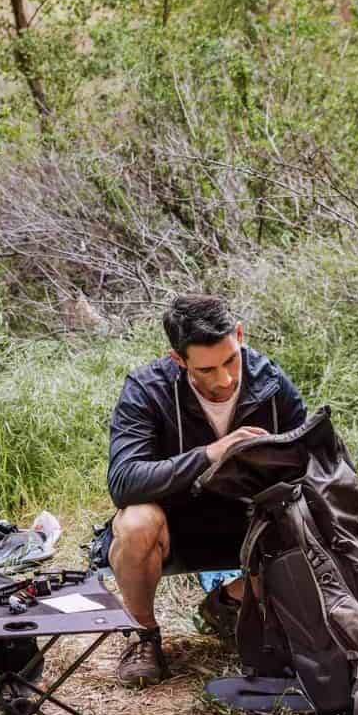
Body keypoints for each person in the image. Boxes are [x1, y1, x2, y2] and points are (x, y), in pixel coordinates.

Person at [92, 294, 308, 686]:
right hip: (174, 523)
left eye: (231, 360)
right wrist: (211, 454)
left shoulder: (272, 382)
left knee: (313, 517)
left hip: (250, 522)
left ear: (239, 336)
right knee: (136, 521)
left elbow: (316, 460)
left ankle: (228, 603)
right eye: (207, 369)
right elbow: (124, 482)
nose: (224, 379)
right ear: (179, 360)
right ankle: (144, 636)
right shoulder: (146, 389)